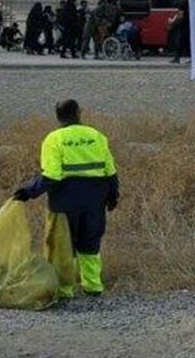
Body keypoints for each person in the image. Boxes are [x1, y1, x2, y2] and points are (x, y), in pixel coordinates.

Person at [13, 99, 119, 298]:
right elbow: (110, 171)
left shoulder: (53, 139)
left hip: (65, 200)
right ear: (80, 112)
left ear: (58, 117)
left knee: (63, 245)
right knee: (90, 243)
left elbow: (51, 175)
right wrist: (113, 196)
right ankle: (93, 286)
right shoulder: (96, 136)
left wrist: (29, 192)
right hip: (95, 199)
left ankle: (64, 289)